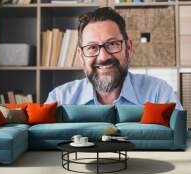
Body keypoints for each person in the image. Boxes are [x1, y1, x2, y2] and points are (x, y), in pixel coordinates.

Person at [45, 7, 182, 110]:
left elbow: (179, 140)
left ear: (128, 48)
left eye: (112, 44)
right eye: (92, 47)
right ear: (81, 55)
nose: (103, 56)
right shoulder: (60, 99)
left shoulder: (158, 94)